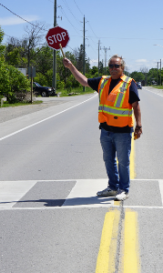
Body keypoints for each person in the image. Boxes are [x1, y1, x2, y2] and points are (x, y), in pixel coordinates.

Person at [62, 55, 142, 201]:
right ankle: (112, 187)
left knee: (123, 162)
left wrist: (139, 125)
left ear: (122, 68)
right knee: (108, 160)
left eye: (116, 66)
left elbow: (136, 105)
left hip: (122, 131)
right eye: (111, 65)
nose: (113, 68)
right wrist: (71, 67)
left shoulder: (129, 83)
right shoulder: (103, 81)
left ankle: (124, 190)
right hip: (106, 131)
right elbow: (84, 81)